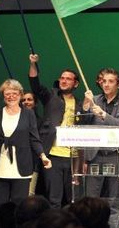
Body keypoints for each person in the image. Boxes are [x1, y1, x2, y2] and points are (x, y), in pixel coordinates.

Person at [0, 79, 52, 210]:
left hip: (21, 166)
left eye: (15, 93)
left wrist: (43, 156)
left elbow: (34, 138)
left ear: (20, 95)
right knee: (0, 206)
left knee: (20, 206)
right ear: (3, 95)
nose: (11, 96)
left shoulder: (28, 114)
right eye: (7, 93)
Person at [81, 67, 119, 227]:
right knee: (91, 199)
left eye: (111, 81)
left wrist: (104, 114)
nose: (106, 84)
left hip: (116, 156)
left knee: (115, 199)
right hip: (95, 155)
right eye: (104, 81)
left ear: (118, 85)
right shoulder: (94, 100)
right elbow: (82, 121)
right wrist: (86, 104)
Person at [28, 54, 83, 209]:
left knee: (74, 200)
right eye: (62, 78)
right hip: (53, 155)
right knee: (54, 199)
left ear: (76, 83)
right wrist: (33, 64)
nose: (63, 81)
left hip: (73, 157)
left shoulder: (80, 104)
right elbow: (35, 85)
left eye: (68, 79)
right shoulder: (51, 96)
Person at [21, 92, 43, 196]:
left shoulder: (40, 122)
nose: (26, 102)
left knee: (29, 195)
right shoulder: (15, 120)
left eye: (29, 100)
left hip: (33, 164)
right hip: (15, 163)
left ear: (36, 103)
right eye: (23, 100)